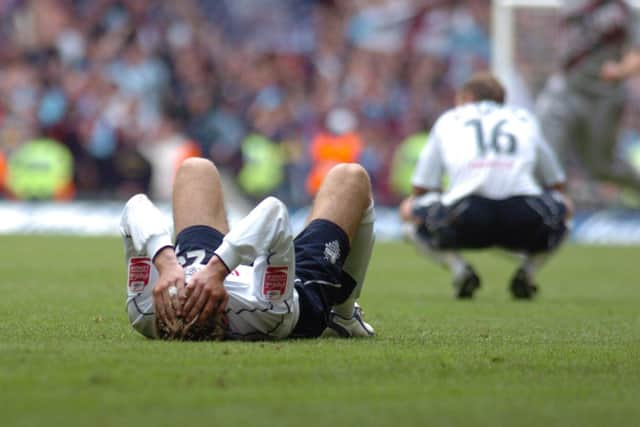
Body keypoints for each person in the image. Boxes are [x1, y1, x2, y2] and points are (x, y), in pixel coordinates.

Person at [120, 157, 375, 340]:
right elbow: (274, 214)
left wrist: (166, 264)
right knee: (351, 177)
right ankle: (342, 316)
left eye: (181, 296)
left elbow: (135, 207)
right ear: (224, 315)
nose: (187, 290)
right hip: (291, 288)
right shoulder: (263, 311)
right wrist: (218, 270)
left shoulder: (146, 311)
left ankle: (216, 262)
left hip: (204, 261)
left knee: (195, 168)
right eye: (198, 300)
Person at [400, 73, 573, 299]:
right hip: (523, 215)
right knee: (566, 209)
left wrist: (444, 197)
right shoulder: (524, 118)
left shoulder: (450, 119)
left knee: (408, 212)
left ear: (467, 97)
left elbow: (421, 187)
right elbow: (556, 182)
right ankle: (527, 274)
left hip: (466, 216)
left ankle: (460, 271)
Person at [535, 0, 640, 204]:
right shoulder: (571, 5)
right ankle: (541, 211)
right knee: (546, 151)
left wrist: (619, 71)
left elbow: (637, 54)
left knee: (601, 166)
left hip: (602, 96)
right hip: (565, 88)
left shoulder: (626, 11)